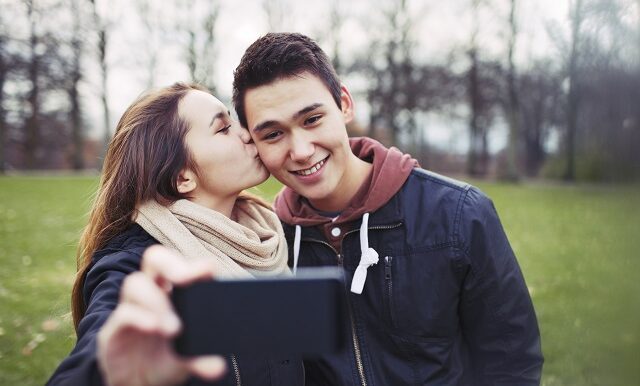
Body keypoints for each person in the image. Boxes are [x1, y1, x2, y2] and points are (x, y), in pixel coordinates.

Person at [232, 32, 544, 385]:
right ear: (252, 144)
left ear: (345, 105)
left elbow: (512, 363)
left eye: (312, 119)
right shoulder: (267, 246)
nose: (301, 150)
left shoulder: (459, 215)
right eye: (273, 134)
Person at [46, 83, 304, 386]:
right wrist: (110, 373)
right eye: (223, 129)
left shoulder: (267, 237)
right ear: (183, 177)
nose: (247, 133)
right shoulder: (138, 271)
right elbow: (95, 353)